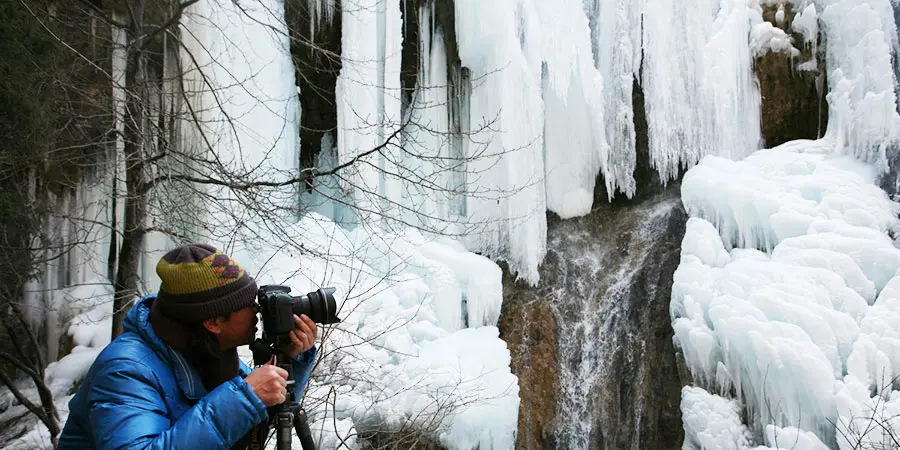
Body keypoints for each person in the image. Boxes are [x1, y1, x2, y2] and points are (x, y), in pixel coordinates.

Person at [58, 243, 318, 449]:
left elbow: (250, 424)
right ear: (214, 322)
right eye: (248, 303)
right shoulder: (125, 370)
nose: (257, 311)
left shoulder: (209, 351)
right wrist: (243, 398)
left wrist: (289, 360)